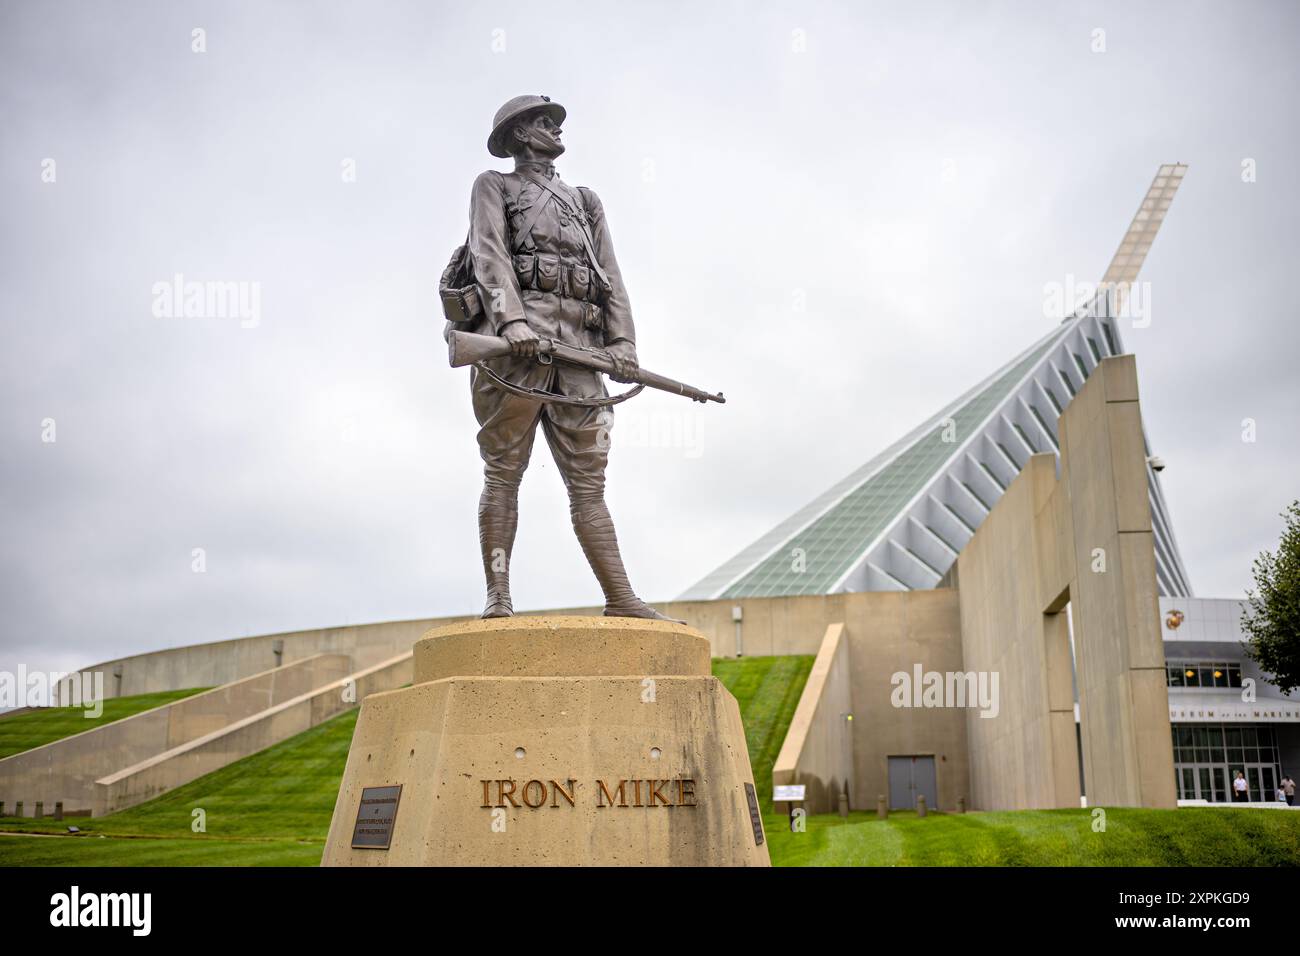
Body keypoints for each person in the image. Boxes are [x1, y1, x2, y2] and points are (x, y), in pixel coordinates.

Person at [461, 94, 678, 622]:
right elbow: (488, 253)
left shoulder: (585, 201)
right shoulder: (495, 185)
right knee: (503, 474)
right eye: (539, 122)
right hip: (514, 353)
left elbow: (611, 275)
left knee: (590, 483)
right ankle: (498, 596)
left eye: (553, 121)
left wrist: (623, 345)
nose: (553, 128)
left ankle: (621, 596)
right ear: (517, 137)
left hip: (582, 354)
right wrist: (512, 324)